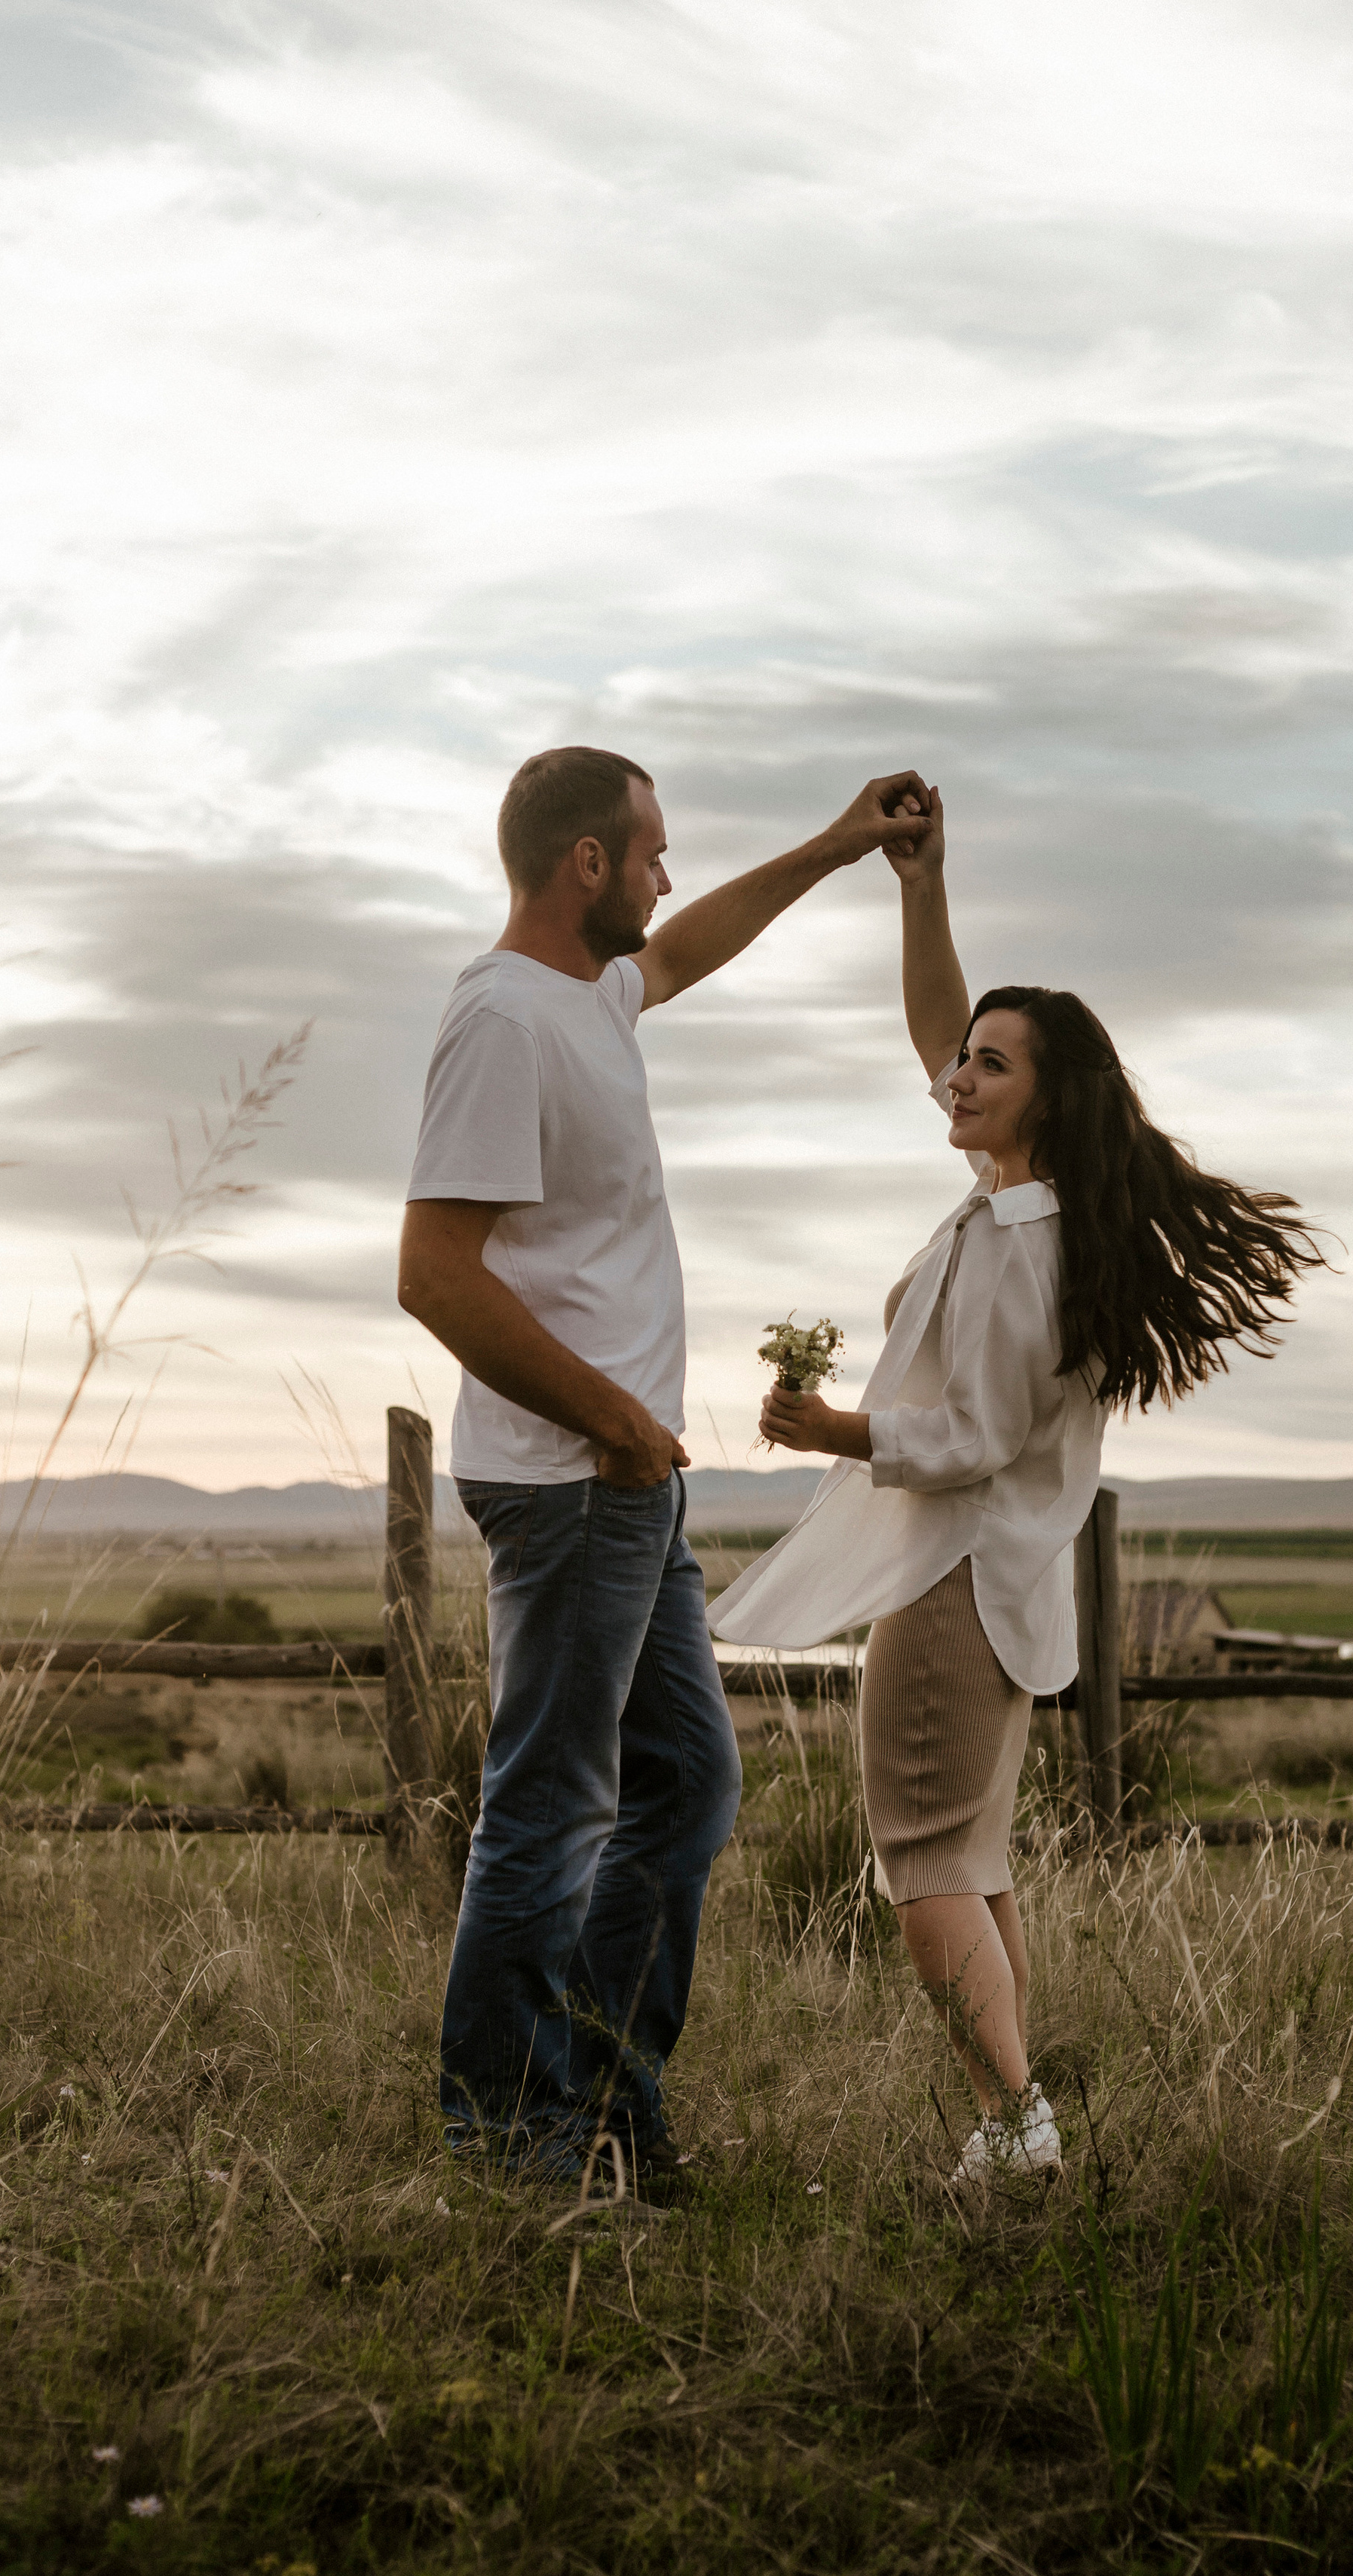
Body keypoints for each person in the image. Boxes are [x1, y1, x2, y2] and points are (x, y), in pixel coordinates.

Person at [712, 787, 1324, 2185]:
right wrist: (918, 885)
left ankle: (1016, 2125)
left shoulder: (1017, 1244)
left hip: (950, 1581)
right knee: (972, 1861)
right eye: (964, 1062)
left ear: (1044, 1097)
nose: (960, 1076)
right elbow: (939, 1028)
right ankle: (1014, 2127)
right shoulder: (1020, 1206)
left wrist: (838, 1432)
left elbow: (975, 1434)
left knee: (920, 1864)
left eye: (992, 1066)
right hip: (996, 1585)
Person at [399, 744, 931, 2192]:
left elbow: (691, 944)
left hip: (625, 1484)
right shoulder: (504, 1018)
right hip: (577, 1482)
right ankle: (514, 2139)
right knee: (553, 1806)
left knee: (685, 1786)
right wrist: (616, 1422)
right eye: (650, 851)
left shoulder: (592, 996)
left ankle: (604, 2102)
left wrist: (834, 848)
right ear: (587, 864)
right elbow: (435, 1275)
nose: (665, 874)